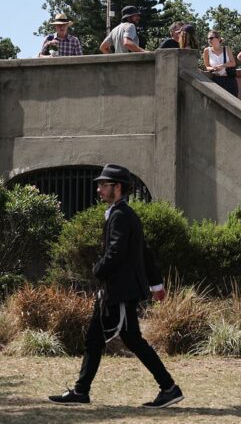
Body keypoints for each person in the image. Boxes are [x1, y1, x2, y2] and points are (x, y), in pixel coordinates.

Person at [48, 164, 183, 409]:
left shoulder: (121, 215)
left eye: (103, 185)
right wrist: (156, 285)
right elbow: (145, 253)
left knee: (130, 340)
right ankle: (81, 391)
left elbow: (117, 252)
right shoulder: (121, 214)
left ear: (117, 188)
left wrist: (98, 270)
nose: (99, 189)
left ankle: (169, 387)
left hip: (120, 291)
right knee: (97, 339)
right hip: (117, 290)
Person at [204, 30, 239, 96]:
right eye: (208, 38)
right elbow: (207, 66)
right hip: (216, 80)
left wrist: (223, 66)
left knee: (232, 102)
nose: (209, 40)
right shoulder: (207, 50)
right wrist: (214, 69)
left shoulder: (226, 49)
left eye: (211, 38)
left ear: (218, 38)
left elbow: (233, 63)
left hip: (229, 80)